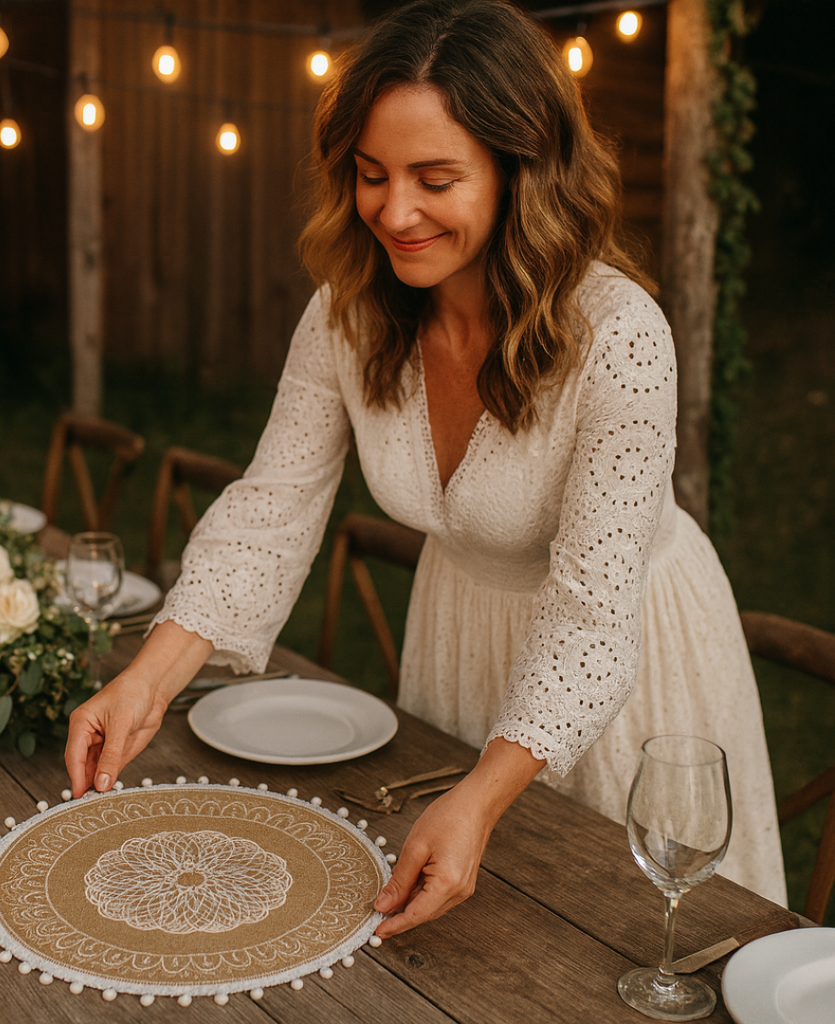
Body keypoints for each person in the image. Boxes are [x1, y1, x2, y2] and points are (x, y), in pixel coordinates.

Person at [66, 0, 787, 935]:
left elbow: (589, 609)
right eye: (372, 175)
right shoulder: (349, 311)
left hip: (625, 660)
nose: (393, 213)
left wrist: (485, 793)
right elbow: (270, 507)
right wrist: (146, 680)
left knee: (620, 939)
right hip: (458, 637)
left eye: (434, 179)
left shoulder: (621, 340)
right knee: (464, 942)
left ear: (521, 170)